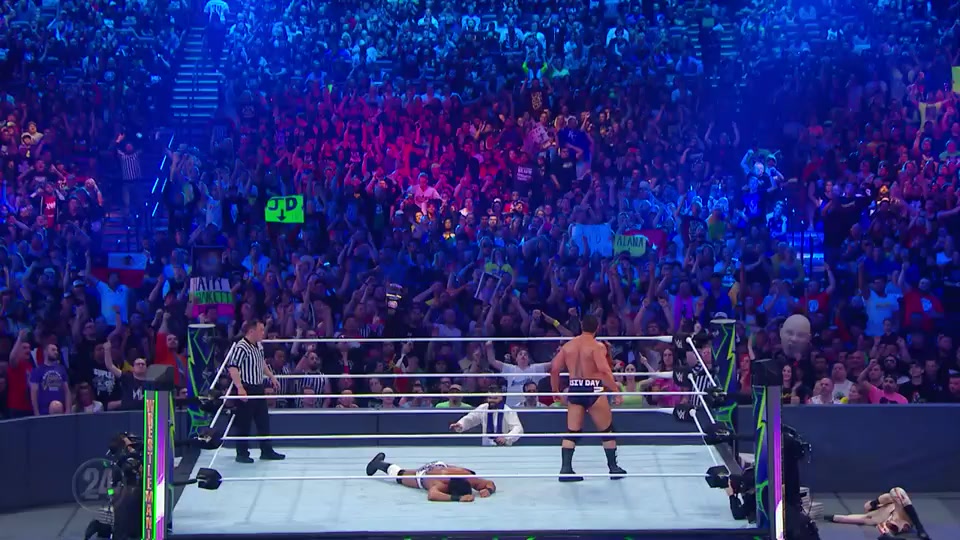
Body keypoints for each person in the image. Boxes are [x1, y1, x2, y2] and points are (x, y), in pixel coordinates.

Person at [549, 314, 625, 481]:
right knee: (607, 430)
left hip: (575, 388)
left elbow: (554, 368)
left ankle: (566, 470)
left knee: (572, 432)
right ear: (597, 328)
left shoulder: (568, 346)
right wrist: (616, 391)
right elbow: (604, 370)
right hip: (594, 388)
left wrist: (555, 391)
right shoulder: (597, 346)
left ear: (581, 326)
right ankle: (613, 468)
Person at [225, 320, 285, 463]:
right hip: (246, 387)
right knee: (244, 422)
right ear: (251, 331)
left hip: (258, 387)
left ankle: (266, 450)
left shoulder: (258, 345)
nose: (263, 333)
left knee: (263, 420)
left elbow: (261, 363)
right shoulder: (241, 347)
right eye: (261, 330)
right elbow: (233, 367)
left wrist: (271, 377)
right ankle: (242, 453)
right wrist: (240, 388)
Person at [365, 452, 496, 502]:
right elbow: (432, 495)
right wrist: (458, 498)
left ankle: (379, 463)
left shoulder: (467, 476)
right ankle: (378, 464)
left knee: (403, 472)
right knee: (401, 476)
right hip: (424, 475)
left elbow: (489, 483)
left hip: (441, 465)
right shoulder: (440, 484)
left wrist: (488, 490)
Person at [825, 487, 931, 539]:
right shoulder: (875, 517)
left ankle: (920, 528)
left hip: (903, 514)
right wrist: (833, 517)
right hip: (893, 522)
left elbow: (890, 495)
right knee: (881, 524)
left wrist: (875, 502)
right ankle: (889, 535)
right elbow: (853, 518)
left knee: (897, 491)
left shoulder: (888, 502)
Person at [449, 384, 524, 446]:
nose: (492, 400)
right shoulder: (483, 408)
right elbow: (471, 418)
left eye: (495, 398)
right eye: (490, 398)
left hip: (504, 447)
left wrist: (506, 437)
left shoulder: (508, 411)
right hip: (486, 447)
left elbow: (518, 428)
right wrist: (460, 424)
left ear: (501, 398)